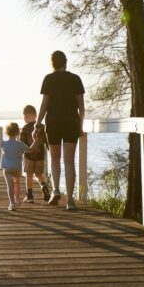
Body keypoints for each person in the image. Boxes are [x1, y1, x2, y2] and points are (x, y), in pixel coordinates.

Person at [35, 50, 86, 210]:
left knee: (55, 159)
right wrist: (81, 126)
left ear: (52, 64)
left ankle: (55, 190)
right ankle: (70, 200)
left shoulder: (49, 79)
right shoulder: (75, 79)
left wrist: (37, 123)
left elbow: (44, 105)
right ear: (65, 62)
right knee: (69, 161)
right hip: (71, 123)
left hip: (53, 123)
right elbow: (81, 107)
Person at [0, 122, 38, 211]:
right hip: (17, 168)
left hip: (7, 168)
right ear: (18, 133)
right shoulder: (20, 144)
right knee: (17, 183)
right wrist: (35, 141)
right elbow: (30, 150)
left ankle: (12, 203)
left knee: (10, 186)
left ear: (6, 132)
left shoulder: (3, 143)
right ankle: (17, 199)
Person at [20, 104, 51, 203]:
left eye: (24, 116)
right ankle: (44, 187)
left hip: (29, 156)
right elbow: (47, 141)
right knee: (38, 174)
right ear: (36, 115)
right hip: (40, 156)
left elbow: (22, 143)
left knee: (29, 175)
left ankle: (30, 196)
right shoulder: (42, 128)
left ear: (27, 116)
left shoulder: (24, 129)